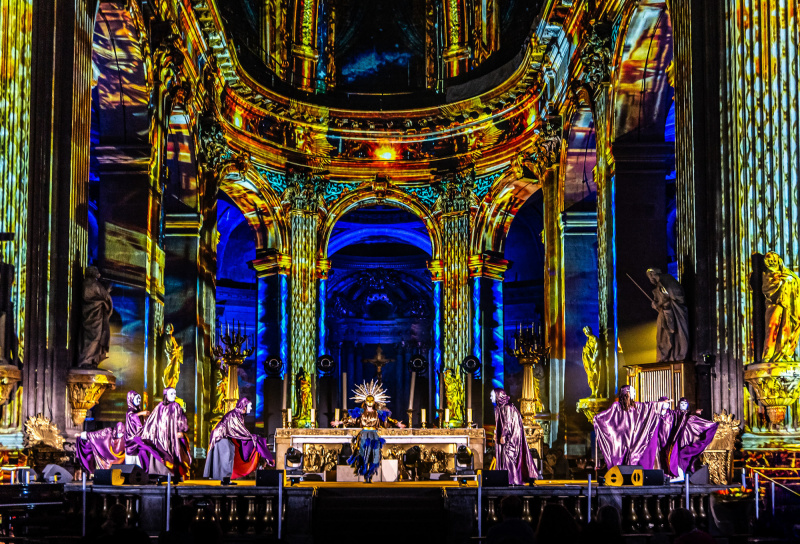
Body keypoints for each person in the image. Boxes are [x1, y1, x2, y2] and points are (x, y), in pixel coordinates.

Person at [331, 380, 405, 483]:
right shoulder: (361, 412)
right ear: (365, 402)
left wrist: (397, 424)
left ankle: (370, 475)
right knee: (364, 455)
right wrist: (339, 422)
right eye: (368, 401)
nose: (370, 403)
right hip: (364, 435)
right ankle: (366, 475)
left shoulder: (378, 413)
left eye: (371, 401)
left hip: (374, 436)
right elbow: (351, 419)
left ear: (374, 402)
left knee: (374, 456)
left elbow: (388, 420)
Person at [594, 385, 670, 469]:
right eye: (633, 391)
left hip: (633, 439)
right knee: (620, 456)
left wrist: (660, 405)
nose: (635, 393)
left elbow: (647, 406)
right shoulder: (616, 407)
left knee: (633, 456)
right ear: (627, 393)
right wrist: (597, 419)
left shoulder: (636, 407)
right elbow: (605, 417)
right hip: (621, 439)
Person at [204, 397, 274, 480]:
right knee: (228, 454)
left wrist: (252, 437)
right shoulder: (235, 415)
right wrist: (253, 437)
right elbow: (241, 431)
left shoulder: (239, 415)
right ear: (244, 406)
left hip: (225, 436)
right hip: (220, 436)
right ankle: (224, 478)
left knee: (230, 452)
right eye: (249, 406)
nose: (251, 408)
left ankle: (225, 478)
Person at [133, 387, 192, 478]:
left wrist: (181, 431)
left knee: (174, 454)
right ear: (166, 395)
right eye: (171, 393)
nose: (174, 395)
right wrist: (150, 433)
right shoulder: (159, 407)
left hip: (172, 438)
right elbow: (152, 421)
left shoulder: (177, 406)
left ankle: (173, 474)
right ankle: (158, 473)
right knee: (158, 450)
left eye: (174, 393)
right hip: (160, 437)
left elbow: (182, 420)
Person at [658, 397, 718, 480]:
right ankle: (678, 474)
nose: (683, 405)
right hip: (676, 439)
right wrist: (663, 403)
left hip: (686, 439)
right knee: (675, 456)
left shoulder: (690, 416)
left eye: (685, 404)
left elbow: (697, 422)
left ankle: (683, 474)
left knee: (684, 456)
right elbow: (665, 416)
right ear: (679, 404)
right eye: (682, 404)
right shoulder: (674, 413)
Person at [491, 388, 540, 484]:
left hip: (512, 437)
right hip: (507, 436)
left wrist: (503, 435)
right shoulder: (499, 408)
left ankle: (512, 480)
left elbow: (508, 422)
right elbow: (500, 424)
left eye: (492, 395)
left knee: (508, 456)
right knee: (504, 456)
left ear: (498, 396)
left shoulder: (508, 407)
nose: (490, 397)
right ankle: (506, 479)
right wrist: (496, 434)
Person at [761, 251, 800, 362]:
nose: (772, 262)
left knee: (787, 328)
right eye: (769, 261)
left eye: (774, 260)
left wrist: (789, 282)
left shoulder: (788, 273)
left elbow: (797, 283)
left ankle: (785, 353)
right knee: (772, 329)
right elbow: (768, 290)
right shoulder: (767, 275)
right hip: (775, 305)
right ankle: (768, 355)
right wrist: (783, 282)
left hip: (789, 305)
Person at [646, 268, 689, 362]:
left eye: (650, 275)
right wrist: (656, 305)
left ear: (654, 274)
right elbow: (661, 301)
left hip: (674, 312)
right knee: (661, 337)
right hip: (664, 314)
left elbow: (676, 295)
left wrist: (660, 302)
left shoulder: (666, 279)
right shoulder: (657, 287)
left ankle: (675, 355)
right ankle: (665, 357)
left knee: (673, 334)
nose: (650, 279)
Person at [78, 266, 113, 368]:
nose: (99, 274)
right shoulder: (93, 284)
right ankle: (86, 360)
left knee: (93, 339)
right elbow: (105, 297)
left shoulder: (89, 283)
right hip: (94, 316)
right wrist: (107, 292)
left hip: (92, 315)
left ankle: (90, 360)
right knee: (94, 339)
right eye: (97, 272)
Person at [125, 390, 149, 466]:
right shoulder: (130, 411)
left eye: (139, 399)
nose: (139, 401)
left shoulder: (138, 410)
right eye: (137, 399)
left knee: (140, 463)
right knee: (130, 464)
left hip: (139, 440)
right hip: (131, 441)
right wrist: (141, 413)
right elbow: (132, 416)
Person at [582, 326, 601, 398]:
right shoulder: (588, 340)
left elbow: (597, 349)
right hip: (589, 361)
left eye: (587, 331)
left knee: (595, 375)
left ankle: (597, 392)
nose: (586, 332)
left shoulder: (594, 339)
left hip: (594, 361)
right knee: (590, 376)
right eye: (585, 331)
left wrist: (594, 359)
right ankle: (593, 392)